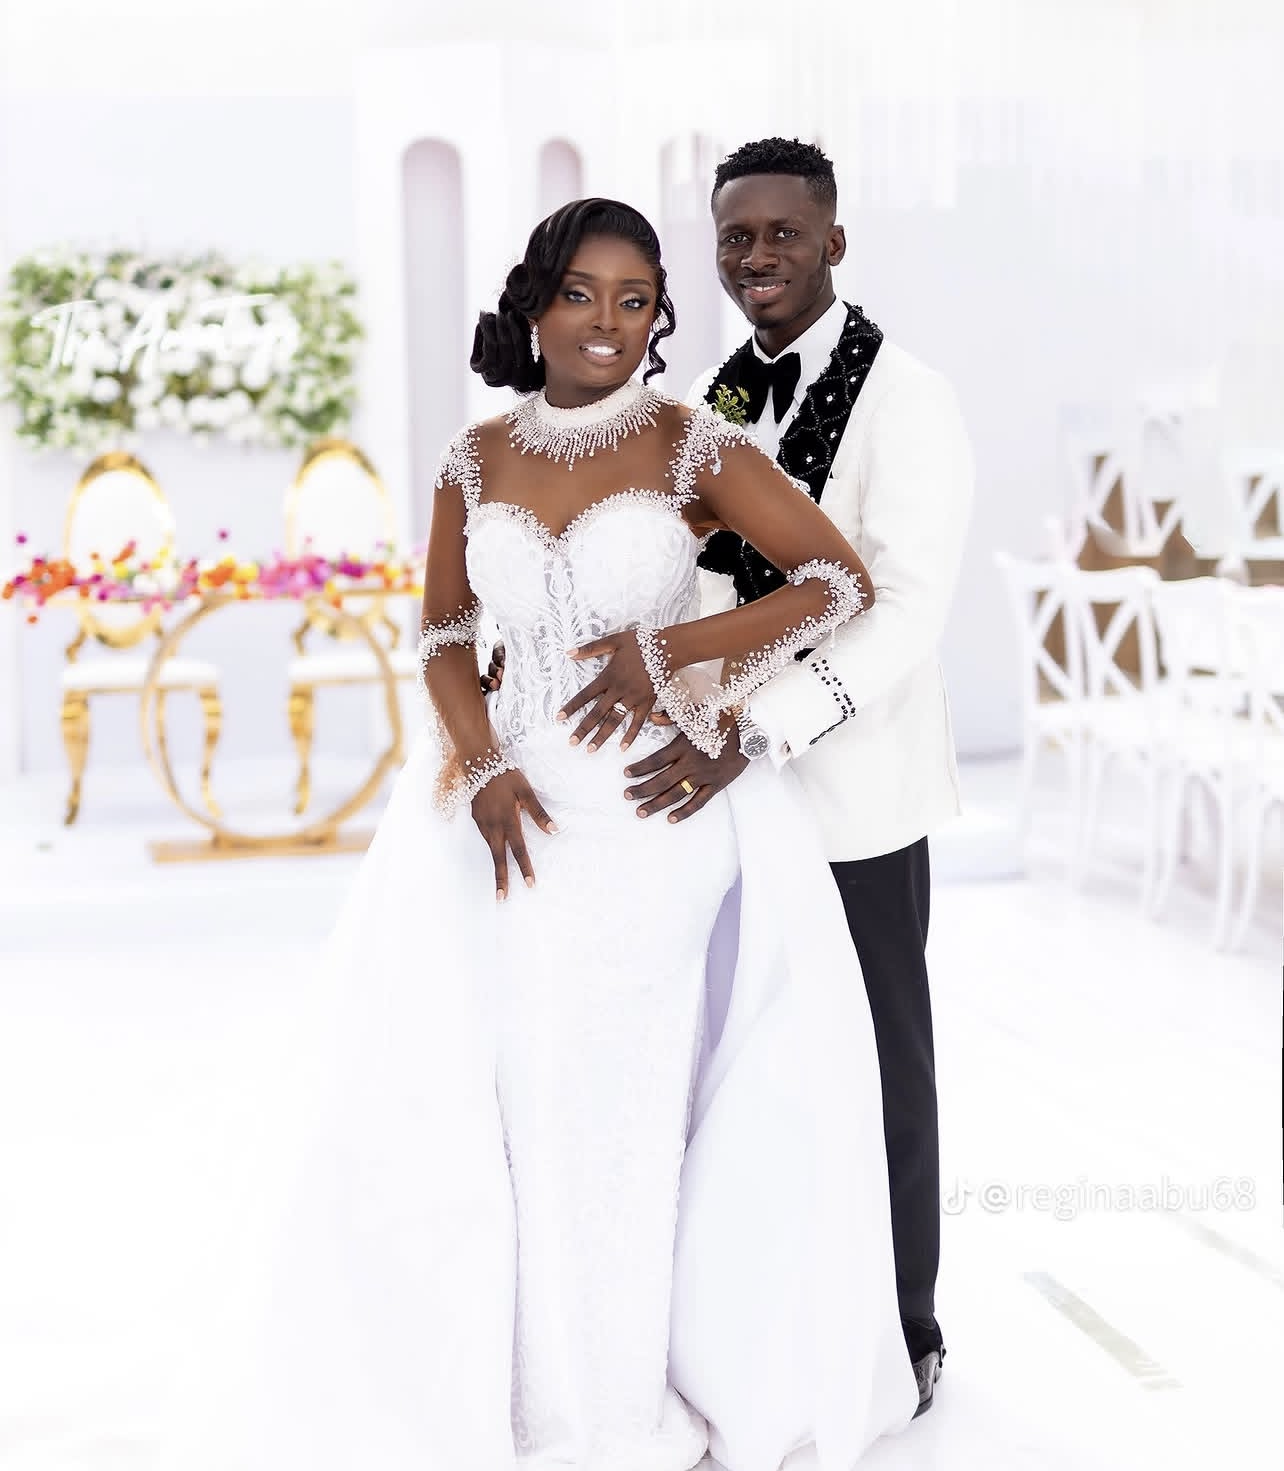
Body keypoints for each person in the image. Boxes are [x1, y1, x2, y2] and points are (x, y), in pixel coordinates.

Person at [163, 198, 918, 1471]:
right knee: (516, 1095)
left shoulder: (693, 446)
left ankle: (617, 1406)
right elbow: (447, 634)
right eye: (583, 294)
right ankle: (527, 1388)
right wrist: (481, 764)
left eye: (637, 300)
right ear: (535, 304)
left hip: (648, 814)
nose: (610, 324)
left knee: (619, 1096)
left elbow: (835, 581)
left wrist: (668, 649)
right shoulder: (475, 459)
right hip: (508, 819)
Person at [620, 139, 975, 1417]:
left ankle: (905, 1323)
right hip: (731, 797)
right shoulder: (715, 395)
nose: (754, 258)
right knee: (755, 1062)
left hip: (852, 788)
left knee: (882, 1062)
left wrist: (756, 730)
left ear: (835, 239)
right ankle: (765, 1324)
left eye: (780, 234)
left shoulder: (911, 397)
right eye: (733, 238)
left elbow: (904, 609)